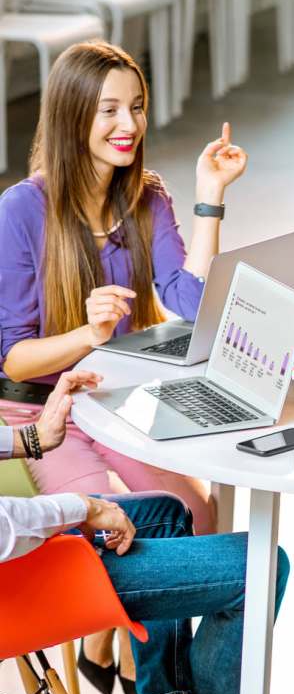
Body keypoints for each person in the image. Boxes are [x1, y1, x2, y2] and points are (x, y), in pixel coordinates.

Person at [0, 390, 294, 694]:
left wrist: (27, 439)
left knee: (165, 513)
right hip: (20, 588)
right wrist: (83, 507)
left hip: (17, 563)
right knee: (263, 567)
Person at [0, 40, 247, 536]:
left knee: (195, 517)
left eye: (136, 108)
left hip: (116, 395)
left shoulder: (145, 196)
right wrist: (90, 334)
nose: (130, 126)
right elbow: (14, 358)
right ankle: (119, 615)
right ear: (72, 118)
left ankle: (156, 614)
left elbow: (191, 300)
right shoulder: (20, 210)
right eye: (109, 111)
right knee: (105, 521)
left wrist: (210, 197)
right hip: (44, 407)